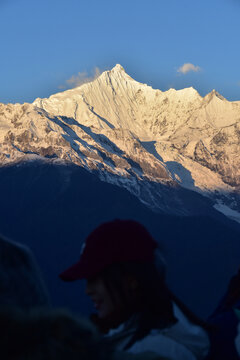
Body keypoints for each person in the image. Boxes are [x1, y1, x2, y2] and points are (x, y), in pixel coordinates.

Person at [60, 219, 210, 360]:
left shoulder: (156, 351)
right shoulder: (131, 337)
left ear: (130, 280)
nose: (88, 290)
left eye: (94, 279)